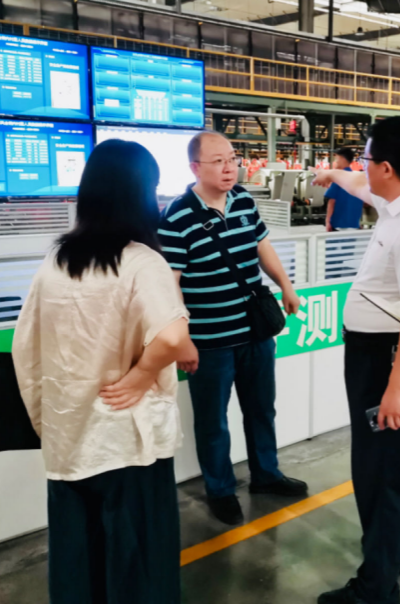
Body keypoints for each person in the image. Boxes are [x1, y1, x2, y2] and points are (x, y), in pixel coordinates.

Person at [13, 139, 195, 603]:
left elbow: (25, 349)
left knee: (78, 562)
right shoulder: (141, 261)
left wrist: (46, 417)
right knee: (139, 567)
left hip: (70, 438)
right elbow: (173, 337)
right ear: (140, 194)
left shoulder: (56, 262)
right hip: (128, 442)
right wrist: (139, 377)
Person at [312, 116, 400, 604]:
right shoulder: (399, 200)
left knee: (380, 473)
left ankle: (376, 588)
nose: (362, 168)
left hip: (389, 361)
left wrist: (396, 389)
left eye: (366, 159)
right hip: (379, 357)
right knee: (399, 463)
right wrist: (332, 174)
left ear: (387, 167)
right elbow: (357, 184)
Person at [157, 131, 308, 526]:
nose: (229, 168)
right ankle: (220, 489)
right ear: (195, 168)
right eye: (218, 162)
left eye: (232, 159)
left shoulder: (243, 200)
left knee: (261, 409)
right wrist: (182, 338)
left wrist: (286, 285)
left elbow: (262, 246)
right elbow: (171, 284)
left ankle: (266, 474)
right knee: (213, 421)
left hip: (255, 331)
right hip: (209, 341)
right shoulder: (176, 217)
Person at [325, 147, 364, 232]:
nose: (336, 162)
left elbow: (331, 202)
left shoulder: (338, 178)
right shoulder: (358, 179)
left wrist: (327, 221)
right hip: (354, 225)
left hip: (338, 224)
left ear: (342, 159)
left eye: (337, 159)